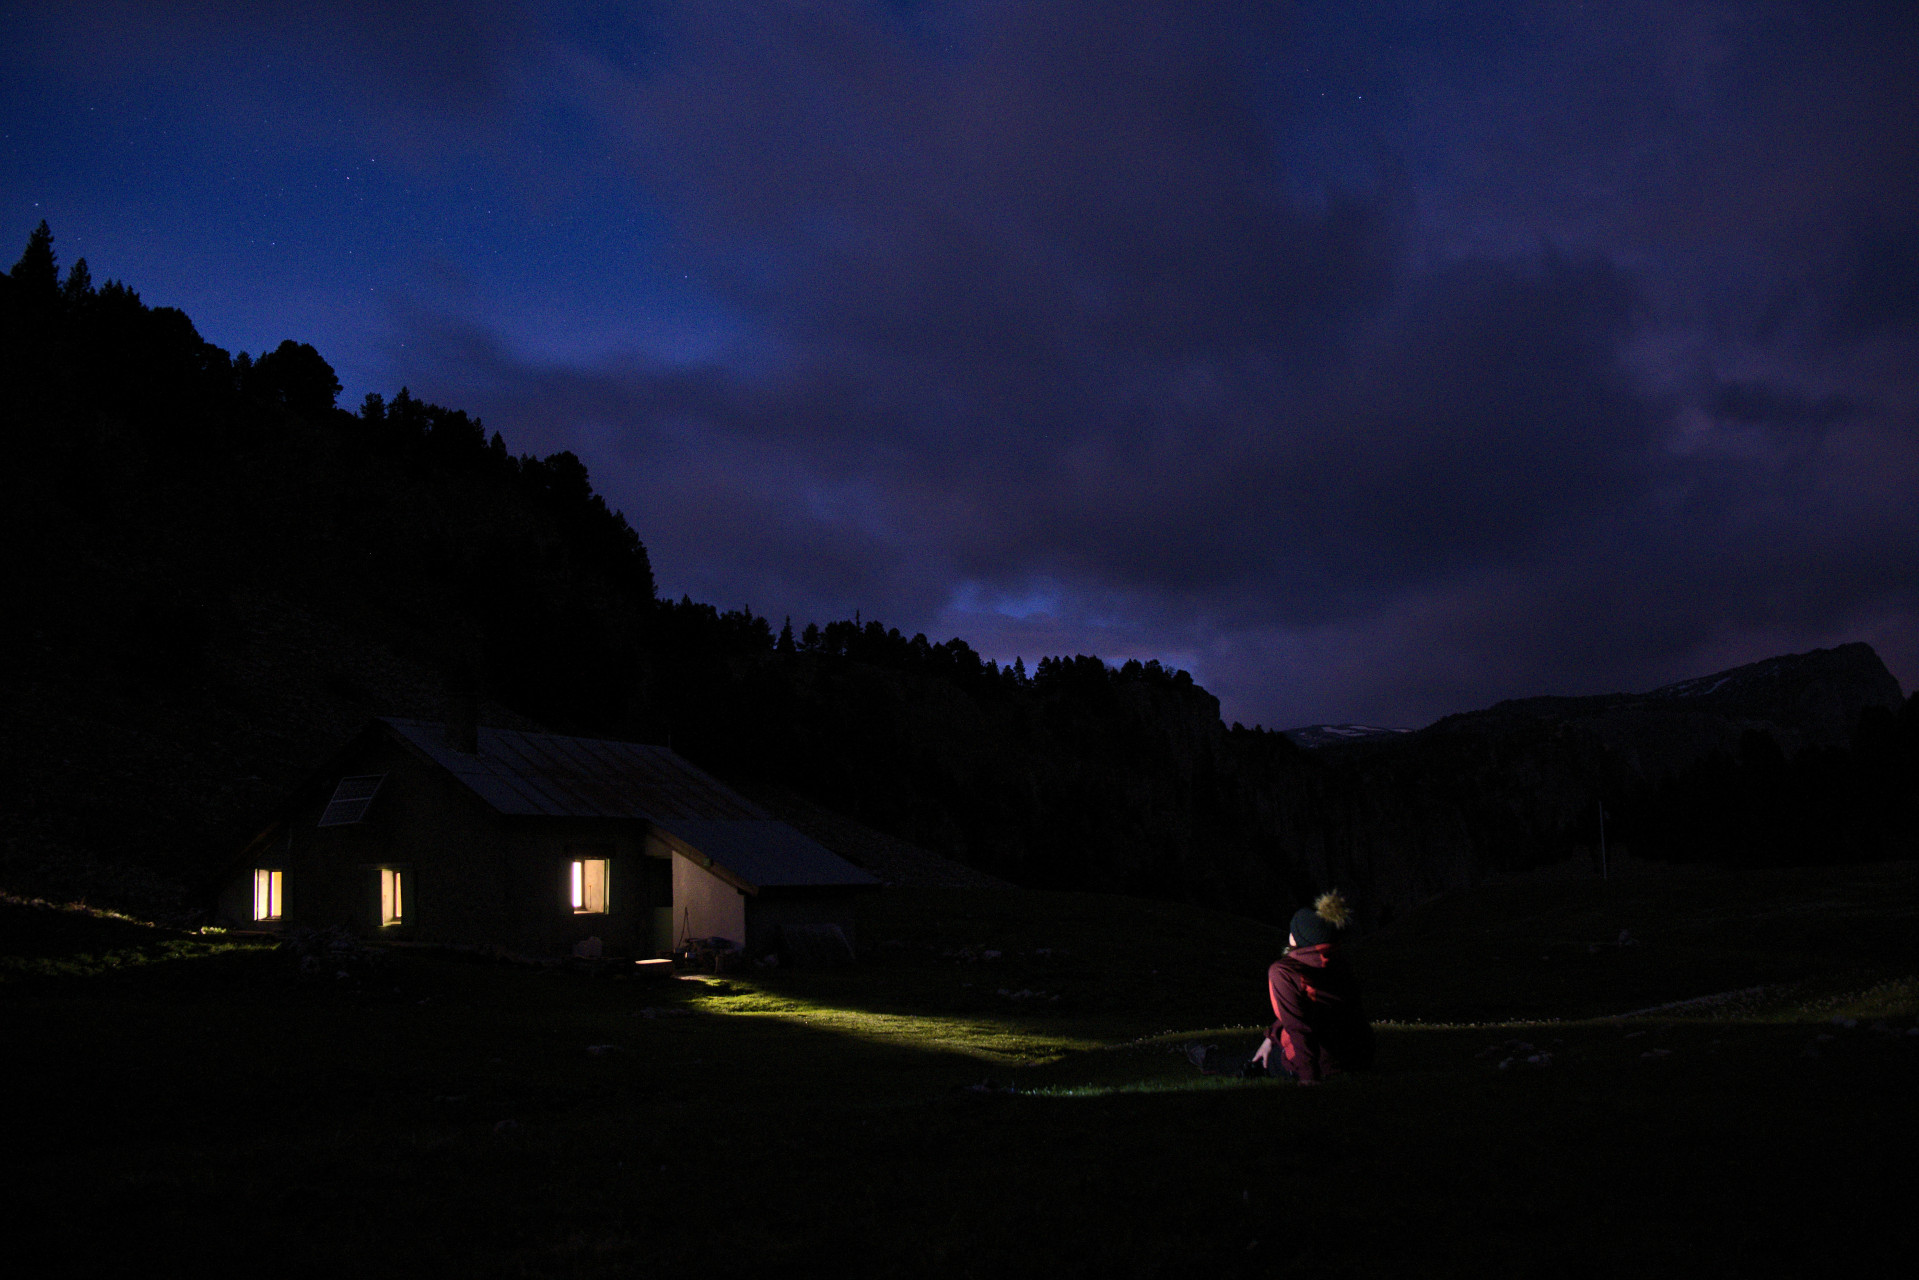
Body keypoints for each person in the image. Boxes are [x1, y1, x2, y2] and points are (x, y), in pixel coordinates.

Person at [1250, 889, 1375, 1084]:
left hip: (1324, 1062)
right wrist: (1271, 1037)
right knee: (1265, 1051)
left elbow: (1298, 1027)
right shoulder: (1336, 961)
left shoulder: (1283, 971)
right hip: (1359, 1056)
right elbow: (1311, 1008)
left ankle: (1203, 1056)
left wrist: (1309, 1078)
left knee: (1251, 1062)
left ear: (1297, 938)